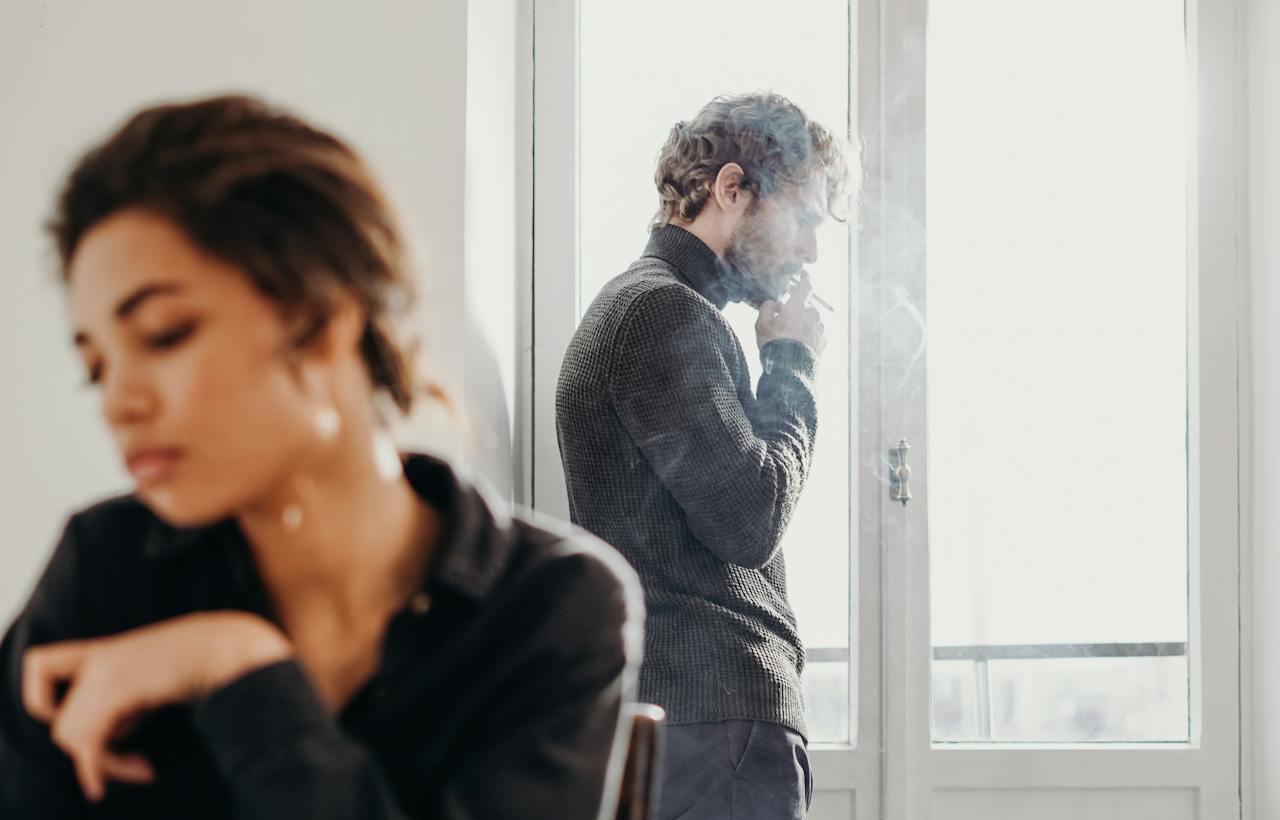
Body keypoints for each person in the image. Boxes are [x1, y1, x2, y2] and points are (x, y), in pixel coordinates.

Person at [0, 94, 642, 820]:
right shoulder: (104, 565)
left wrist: (239, 670)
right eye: (96, 368)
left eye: (164, 334)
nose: (118, 403)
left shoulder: (553, 605)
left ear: (324, 322)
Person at [555, 92, 847, 820]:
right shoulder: (663, 312)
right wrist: (790, 363)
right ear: (731, 188)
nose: (811, 251)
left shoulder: (656, 308)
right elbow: (750, 518)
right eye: (804, 219)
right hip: (715, 724)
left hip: (700, 725)